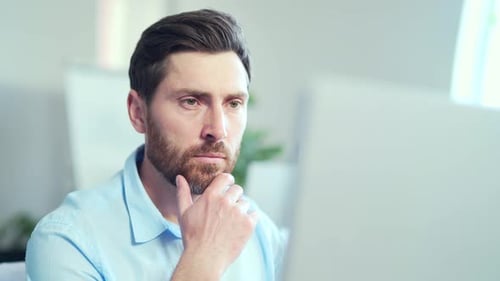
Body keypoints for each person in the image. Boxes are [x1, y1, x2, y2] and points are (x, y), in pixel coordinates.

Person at [26, 9, 286, 281]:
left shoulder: (259, 231)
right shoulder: (68, 241)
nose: (218, 130)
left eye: (233, 103)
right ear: (138, 112)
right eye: (191, 102)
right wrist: (202, 260)